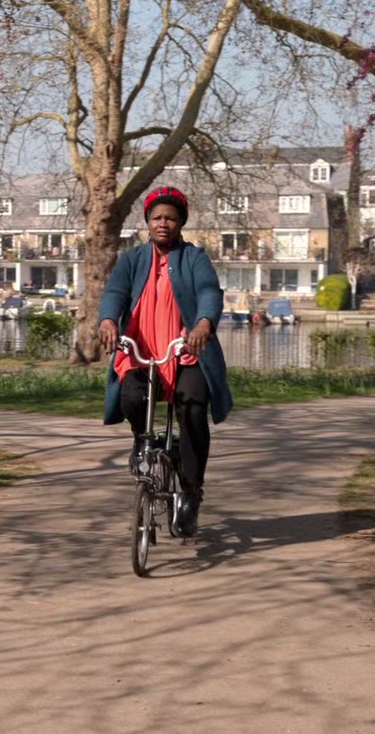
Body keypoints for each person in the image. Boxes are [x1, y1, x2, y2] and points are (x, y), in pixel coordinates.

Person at [97, 186, 232, 538]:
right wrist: (108, 319)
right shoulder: (133, 259)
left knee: (192, 407)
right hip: (141, 350)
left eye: (170, 218)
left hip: (184, 351)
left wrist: (204, 322)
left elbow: (208, 291)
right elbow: (115, 292)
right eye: (156, 217)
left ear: (181, 222)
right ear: (147, 222)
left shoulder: (193, 258)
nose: (163, 223)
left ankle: (191, 492)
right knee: (131, 397)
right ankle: (142, 441)